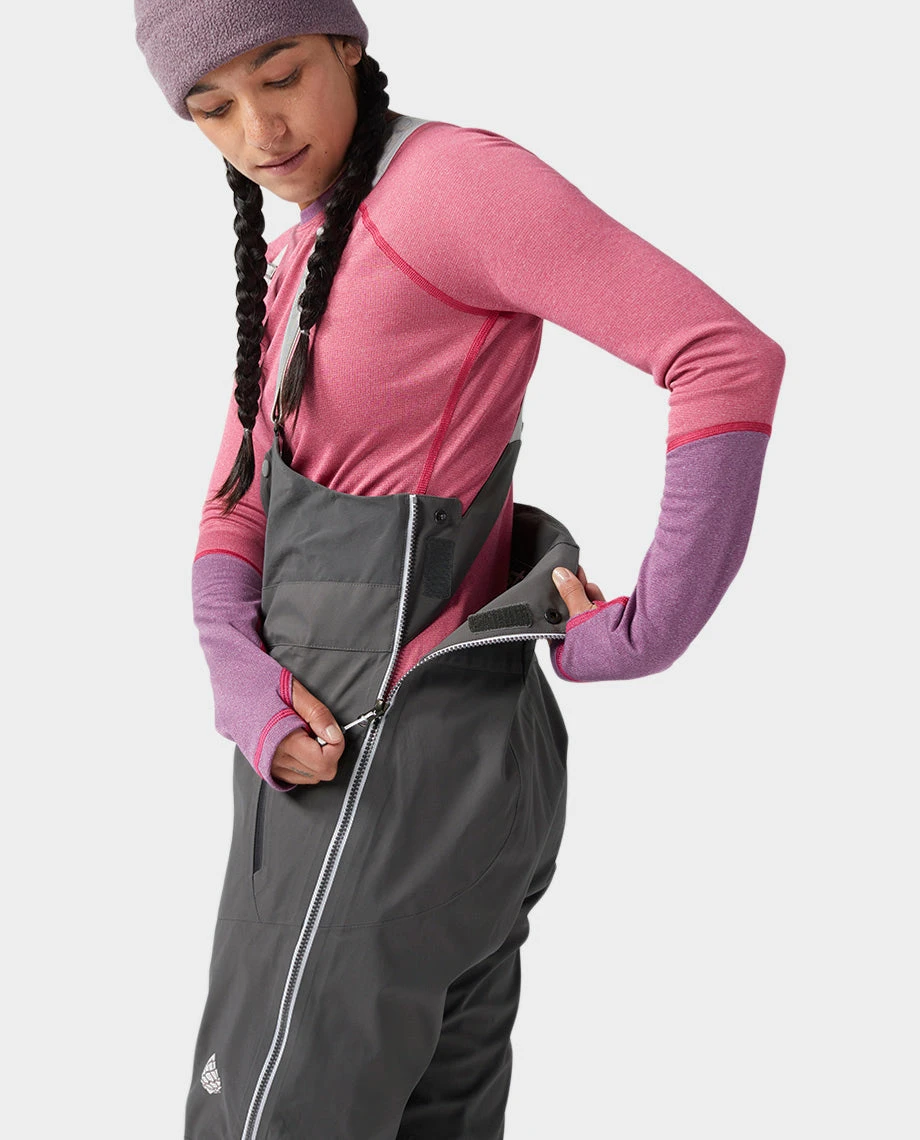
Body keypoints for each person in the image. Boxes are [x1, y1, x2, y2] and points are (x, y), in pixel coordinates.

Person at [135, 2, 785, 1137]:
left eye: (280, 75)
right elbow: (238, 499)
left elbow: (723, 358)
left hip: (376, 757)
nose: (257, 131)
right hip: (397, 747)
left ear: (346, 46)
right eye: (213, 107)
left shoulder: (445, 188)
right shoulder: (302, 251)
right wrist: (233, 668)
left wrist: (653, 628)